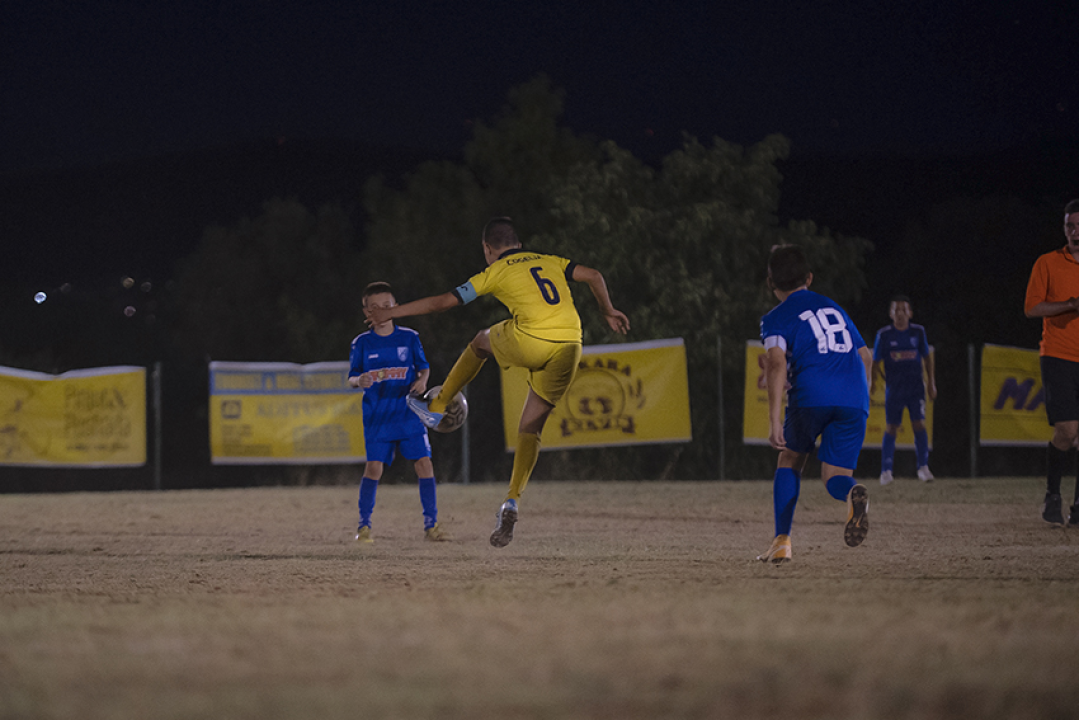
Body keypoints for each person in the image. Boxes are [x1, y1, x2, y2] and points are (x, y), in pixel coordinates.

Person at [365, 217, 630, 547]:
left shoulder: (495, 271)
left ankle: (436, 406)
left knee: (481, 341)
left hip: (532, 339)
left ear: (488, 249)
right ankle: (512, 501)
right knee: (530, 428)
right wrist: (607, 309)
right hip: (572, 344)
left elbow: (442, 303)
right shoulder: (550, 260)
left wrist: (391, 313)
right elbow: (593, 275)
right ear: (518, 244)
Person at [758, 244, 873, 563]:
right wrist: (862, 396)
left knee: (790, 460)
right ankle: (852, 494)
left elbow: (777, 364)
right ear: (809, 277)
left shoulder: (775, 318)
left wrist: (773, 420)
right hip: (853, 397)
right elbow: (865, 356)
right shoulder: (834, 307)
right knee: (835, 475)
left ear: (771, 283)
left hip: (812, 395)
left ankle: (782, 541)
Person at [347, 281, 450, 543]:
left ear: (395, 308)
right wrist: (360, 381)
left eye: (387, 306)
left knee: (424, 464)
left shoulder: (409, 337)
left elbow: (423, 368)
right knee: (374, 469)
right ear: (366, 311)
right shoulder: (361, 343)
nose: (381, 311)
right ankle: (364, 527)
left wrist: (423, 380)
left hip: (408, 414)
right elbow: (351, 378)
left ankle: (432, 526)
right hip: (377, 417)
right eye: (375, 307)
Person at [1024, 199, 1079, 528]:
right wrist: (1070, 304)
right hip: (1058, 355)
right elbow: (1031, 309)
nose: (1075, 232)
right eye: (1070, 226)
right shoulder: (1047, 263)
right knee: (1067, 431)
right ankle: (1053, 495)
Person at [870, 296, 937, 485]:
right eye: (896, 310)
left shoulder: (918, 332)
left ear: (910, 313)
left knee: (919, 425)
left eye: (904, 310)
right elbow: (875, 362)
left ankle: (923, 468)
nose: (900, 313)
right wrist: (872, 383)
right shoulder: (884, 334)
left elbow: (927, 358)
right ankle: (886, 471)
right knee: (891, 427)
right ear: (891, 314)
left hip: (916, 388)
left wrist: (931, 383)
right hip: (895, 389)